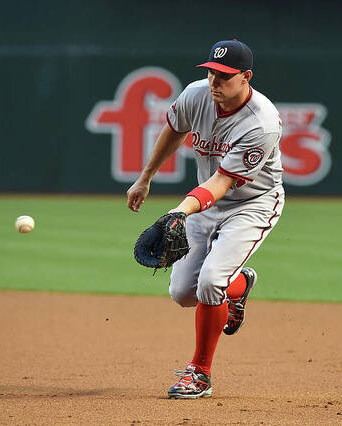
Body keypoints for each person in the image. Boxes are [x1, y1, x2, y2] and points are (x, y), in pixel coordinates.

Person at [126, 39, 285, 399]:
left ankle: (199, 373)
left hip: (253, 204)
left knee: (211, 282)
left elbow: (223, 182)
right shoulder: (196, 95)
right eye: (212, 72)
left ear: (246, 78)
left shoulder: (261, 123)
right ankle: (240, 284)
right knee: (183, 293)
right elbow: (174, 128)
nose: (215, 81)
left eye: (225, 76)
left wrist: (179, 210)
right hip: (206, 202)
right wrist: (146, 176)